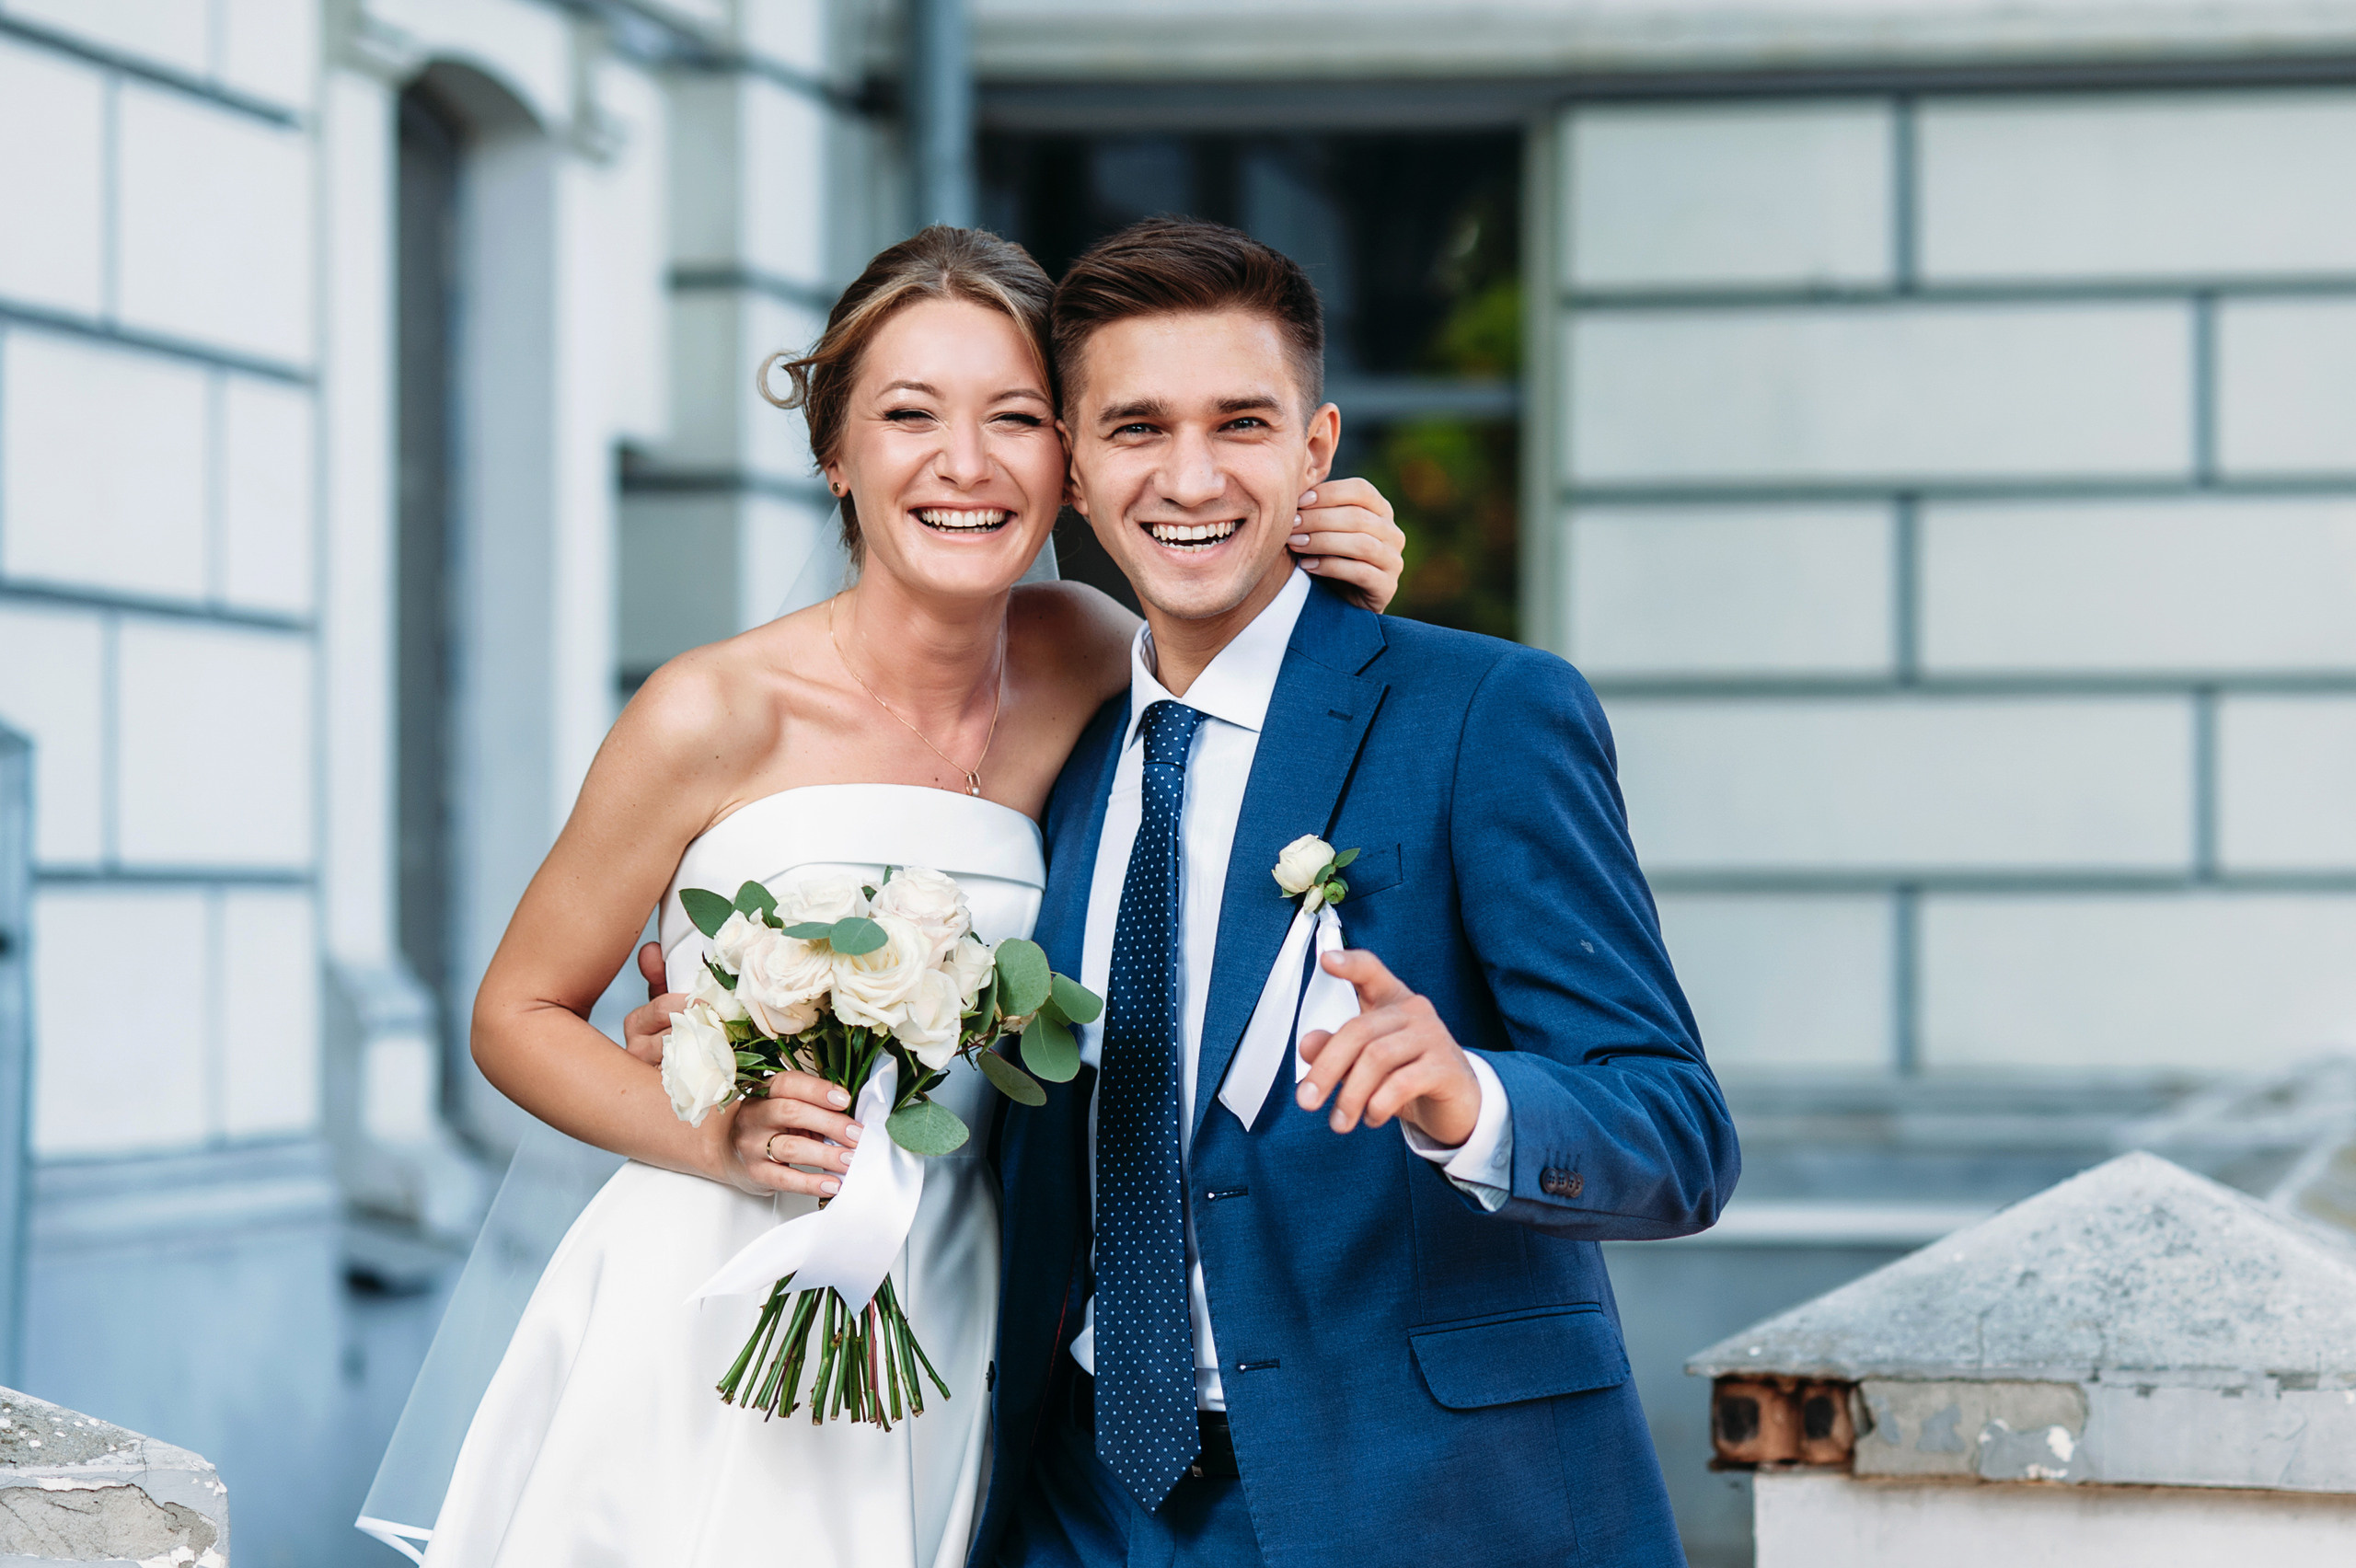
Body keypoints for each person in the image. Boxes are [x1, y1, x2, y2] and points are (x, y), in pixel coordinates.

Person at [369, 225, 1406, 1568]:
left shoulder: (1092, 656)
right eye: (908, 416)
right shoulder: (710, 711)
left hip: (956, 1288)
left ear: (1073, 462)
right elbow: (516, 1011)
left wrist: (1342, 574)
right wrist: (713, 1125)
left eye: (1016, 417)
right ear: (836, 457)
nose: (965, 465)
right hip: (721, 1281)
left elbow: (1245, 756)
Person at [976, 219, 1740, 1568]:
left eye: (1243, 424)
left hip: (1425, 1497)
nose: (1193, 476)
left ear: (1318, 449)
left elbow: (1678, 1134)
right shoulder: (1053, 751)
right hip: (1083, 1503)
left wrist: (1473, 1096)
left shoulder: (1483, 714)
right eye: (1139, 428)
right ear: (1077, 475)